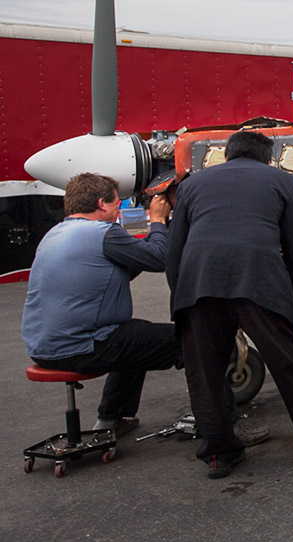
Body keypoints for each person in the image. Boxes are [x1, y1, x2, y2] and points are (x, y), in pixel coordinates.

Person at [167, 130, 293, 479]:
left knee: (206, 376)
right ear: (269, 158)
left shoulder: (191, 185)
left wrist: (182, 301)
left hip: (198, 286)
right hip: (259, 282)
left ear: (227, 154)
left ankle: (219, 454)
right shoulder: (285, 182)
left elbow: (175, 250)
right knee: (289, 365)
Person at [22, 173, 178, 436]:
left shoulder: (56, 233)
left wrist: (158, 235)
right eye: (116, 203)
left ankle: (111, 418)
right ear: (101, 204)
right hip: (80, 347)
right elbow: (159, 258)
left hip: (43, 347)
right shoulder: (104, 233)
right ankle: (213, 417)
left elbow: (129, 263)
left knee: (136, 335)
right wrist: (158, 221)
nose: (118, 210)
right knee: (190, 338)